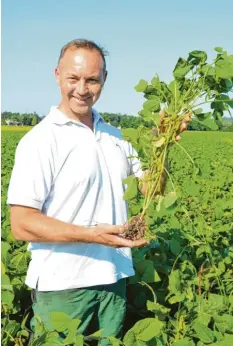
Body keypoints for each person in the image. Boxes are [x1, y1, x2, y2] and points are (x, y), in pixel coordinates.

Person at [7, 39, 189, 344]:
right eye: (73, 78)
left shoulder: (115, 137)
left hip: (113, 279)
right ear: (57, 75)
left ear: (104, 80)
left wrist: (164, 145)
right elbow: (21, 223)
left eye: (92, 79)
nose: (82, 88)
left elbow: (150, 191)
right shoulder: (40, 141)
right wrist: (95, 235)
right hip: (63, 287)